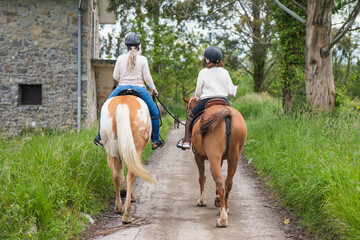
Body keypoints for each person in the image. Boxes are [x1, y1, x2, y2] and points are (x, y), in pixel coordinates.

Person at [94, 33, 165, 150]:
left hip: (121, 87)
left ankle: (100, 137)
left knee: (104, 109)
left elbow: (115, 76)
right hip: (140, 89)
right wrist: (154, 89)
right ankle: (155, 141)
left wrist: (124, 78)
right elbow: (147, 78)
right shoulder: (143, 59)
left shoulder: (120, 58)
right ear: (138, 46)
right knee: (155, 113)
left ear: (126, 47)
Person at [177, 46, 238, 149]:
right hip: (223, 101)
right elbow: (231, 92)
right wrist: (235, 88)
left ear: (208, 59)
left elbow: (198, 92)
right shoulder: (225, 72)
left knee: (190, 117)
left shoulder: (203, 72)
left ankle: (187, 140)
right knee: (234, 118)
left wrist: (198, 97)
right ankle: (239, 140)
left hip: (206, 101)